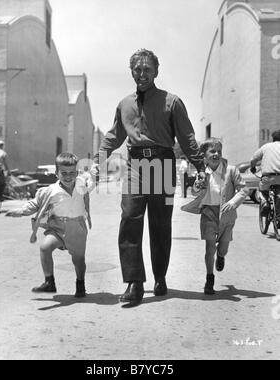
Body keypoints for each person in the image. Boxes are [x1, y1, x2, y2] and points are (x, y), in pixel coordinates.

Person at [92, 49, 205, 305]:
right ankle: (134, 282)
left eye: (147, 69)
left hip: (163, 165)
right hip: (134, 166)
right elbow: (113, 136)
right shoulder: (124, 104)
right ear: (131, 71)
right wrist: (99, 161)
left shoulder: (172, 101)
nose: (142, 74)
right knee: (129, 218)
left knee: (160, 224)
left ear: (156, 72)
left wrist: (200, 166)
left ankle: (160, 276)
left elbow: (187, 137)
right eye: (137, 69)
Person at [5, 153, 95, 298]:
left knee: (78, 259)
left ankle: (80, 283)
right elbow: (36, 203)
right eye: (63, 173)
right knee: (45, 247)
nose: (68, 176)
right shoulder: (51, 190)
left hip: (77, 227)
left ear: (77, 172)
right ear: (56, 173)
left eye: (72, 172)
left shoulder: (82, 185)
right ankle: (49, 282)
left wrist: (93, 173)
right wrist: (21, 211)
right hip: (58, 226)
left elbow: (92, 180)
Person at [181, 138, 249, 295]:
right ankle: (209, 278)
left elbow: (244, 190)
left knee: (223, 247)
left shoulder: (231, 170)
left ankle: (221, 255)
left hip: (227, 213)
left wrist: (233, 202)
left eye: (219, 151)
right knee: (209, 247)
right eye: (212, 151)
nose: (216, 154)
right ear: (204, 156)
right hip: (208, 213)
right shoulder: (201, 172)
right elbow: (195, 192)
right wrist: (197, 185)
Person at [250, 129, 280, 215]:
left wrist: (253, 167)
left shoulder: (266, 146)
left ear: (273, 138)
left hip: (268, 177)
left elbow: (253, 159)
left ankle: (265, 203)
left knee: (263, 190)